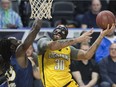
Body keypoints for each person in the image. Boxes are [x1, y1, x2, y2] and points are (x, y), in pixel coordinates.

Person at [37, 24, 115, 87]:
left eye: (61, 34)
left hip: (69, 84)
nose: (58, 34)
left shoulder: (69, 49)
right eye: (57, 31)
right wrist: (77, 39)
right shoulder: (44, 42)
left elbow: (87, 55)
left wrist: (101, 36)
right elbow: (53, 46)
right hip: (51, 85)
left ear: (64, 37)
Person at [0, 18, 42, 87]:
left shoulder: (4, 59)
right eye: (16, 41)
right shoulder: (19, 53)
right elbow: (33, 33)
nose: (19, 41)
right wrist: (37, 25)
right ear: (12, 47)